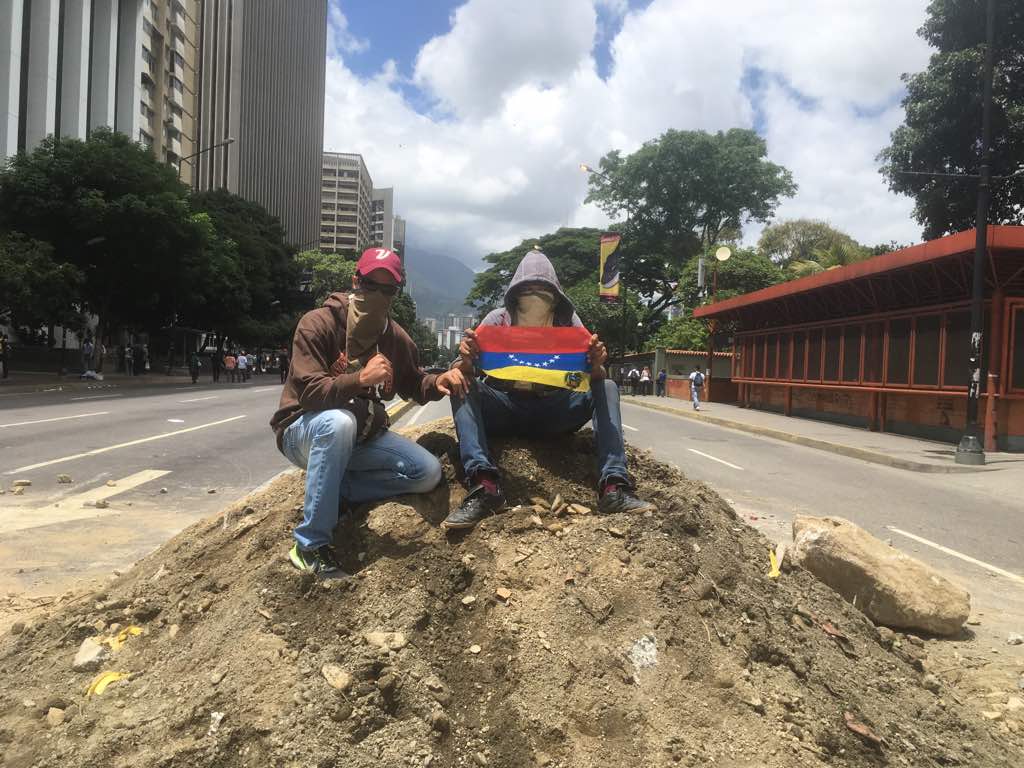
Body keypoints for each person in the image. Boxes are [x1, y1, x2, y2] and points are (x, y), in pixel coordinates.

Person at [271, 247, 466, 578]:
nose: (376, 295)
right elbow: (308, 394)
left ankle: (337, 491)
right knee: (338, 422)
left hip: (362, 437)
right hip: (303, 430)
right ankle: (309, 544)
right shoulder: (318, 324)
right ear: (354, 282)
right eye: (369, 286)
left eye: (386, 289)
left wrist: (440, 381)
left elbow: (415, 383)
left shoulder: (395, 338)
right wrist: (359, 378)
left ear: (395, 294)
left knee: (427, 472)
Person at [440, 249, 655, 531]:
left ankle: (614, 486)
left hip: (555, 410)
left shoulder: (569, 323)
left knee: (609, 386)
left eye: (543, 289)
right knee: (462, 383)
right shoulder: (497, 320)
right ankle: (485, 485)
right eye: (528, 288)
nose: (535, 295)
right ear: (515, 293)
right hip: (506, 407)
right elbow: (466, 369)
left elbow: (594, 378)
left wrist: (596, 363)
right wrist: (466, 359)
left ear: (556, 294)